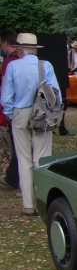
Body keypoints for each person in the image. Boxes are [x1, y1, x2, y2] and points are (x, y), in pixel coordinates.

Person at [1, 33, 61, 215]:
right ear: (35, 48)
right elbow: (55, 94)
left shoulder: (13, 66)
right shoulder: (46, 66)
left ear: (20, 48)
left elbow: (6, 97)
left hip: (20, 113)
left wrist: (12, 115)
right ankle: (42, 199)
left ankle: (28, 204)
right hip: (41, 112)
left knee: (23, 158)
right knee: (41, 158)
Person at [0, 30, 20, 190]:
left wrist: (6, 114)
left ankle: (13, 177)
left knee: (14, 147)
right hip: (32, 112)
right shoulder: (40, 64)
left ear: (6, 43)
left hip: (13, 112)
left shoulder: (9, 63)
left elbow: (6, 90)